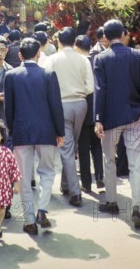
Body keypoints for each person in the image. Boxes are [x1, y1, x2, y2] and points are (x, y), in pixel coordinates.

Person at [94, 19, 140, 229]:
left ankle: (111, 201)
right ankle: (137, 206)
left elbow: (100, 90)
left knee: (109, 159)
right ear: (123, 34)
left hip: (110, 118)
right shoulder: (137, 55)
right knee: (137, 163)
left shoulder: (101, 58)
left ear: (106, 37)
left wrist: (98, 118)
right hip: (135, 115)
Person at [4, 38, 64, 235]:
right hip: (46, 131)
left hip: (21, 132)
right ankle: (43, 210)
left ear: (20, 55)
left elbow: (9, 109)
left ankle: (29, 219)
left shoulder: (11, 76)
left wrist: (11, 132)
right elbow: (56, 105)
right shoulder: (48, 74)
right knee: (47, 172)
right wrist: (60, 132)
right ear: (38, 53)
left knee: (23, 177)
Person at [45, 27, 94, 207]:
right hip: (81, 104)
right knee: (70, 146)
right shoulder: (83, 60)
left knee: (66, 148)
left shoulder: (52, 60)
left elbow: (46, 84)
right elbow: (90, 87)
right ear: (74, 42)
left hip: (61, 105)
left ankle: (75, 192)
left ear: (58, 41)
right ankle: (66, 185)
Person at [74, 35, 104, 193]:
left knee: (83, 147)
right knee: (97, 145)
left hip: (83, 109)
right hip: (98, 109)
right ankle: (100, 177)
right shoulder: (98, 59)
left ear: (76, 46)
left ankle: (86, 183)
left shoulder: (78, 63)